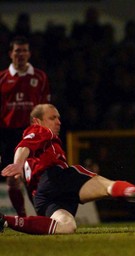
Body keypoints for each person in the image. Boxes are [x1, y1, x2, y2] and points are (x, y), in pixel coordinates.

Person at [0, 104, 135, 235]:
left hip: (43, 198)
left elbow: (13, 186)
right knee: (107, 186)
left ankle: (5, 220)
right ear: (37, 121)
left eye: (59, 118)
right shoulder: (40, 130)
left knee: (66, 226)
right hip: (56, 178)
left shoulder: (36, 152)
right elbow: (23, 146)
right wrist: (18, 164)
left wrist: (21, 215)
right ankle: (131, 192)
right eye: (52, 117)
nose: (58, 122)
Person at [0, 36, 51, 217]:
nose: (20, 54)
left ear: (29, 53)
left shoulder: (40, 77)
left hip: (32, 134)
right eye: (17, 51)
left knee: (34, 178)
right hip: (8, 135)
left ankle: (41, 216)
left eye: (24, 50)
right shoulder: (2, 78)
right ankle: (21, 216)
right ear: (10, 54)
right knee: (12, 179)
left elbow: (45, 108)